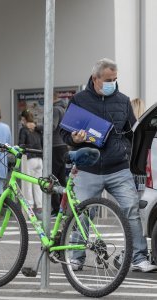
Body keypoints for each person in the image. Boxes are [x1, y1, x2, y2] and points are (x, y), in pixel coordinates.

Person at [60, 58, 157, 272]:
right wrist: (74, 139)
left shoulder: (123, 100)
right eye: (108, 79)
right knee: (82, 213)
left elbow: (133, 132)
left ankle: (138, 257)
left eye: (115, 79)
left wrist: (128, 155)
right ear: (95, 79)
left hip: (118, 169)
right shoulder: (79, 100)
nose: (112, 83)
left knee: (131, 211)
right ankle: (76, 256)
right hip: (88, 168)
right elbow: (64, 132)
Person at [18, 109, 43, 215]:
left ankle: (30, 206)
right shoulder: (36, 128)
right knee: (37, 184)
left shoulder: (24, 130)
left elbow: (21, 145)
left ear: (23, 119)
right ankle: (40, 206)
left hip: (29, 159)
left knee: (27, 184)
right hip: (39, 159)